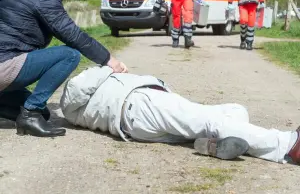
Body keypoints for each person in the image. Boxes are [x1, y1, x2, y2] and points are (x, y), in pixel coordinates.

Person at [0, 0, 127, 138]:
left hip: (6, 62)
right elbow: (72, 35)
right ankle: (30, 115)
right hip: (5, 65)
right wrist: (109, 59)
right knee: (69, 55)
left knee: (45, 113)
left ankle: (26, 110)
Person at [61, 66, 300, 165]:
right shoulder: (75, 88)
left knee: (236, 111)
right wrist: (108, 65)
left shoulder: (82, 109)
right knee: (211, 121)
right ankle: (287, 145)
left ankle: (210, 145)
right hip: (140, 106)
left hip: (141, 120)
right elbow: (80, 87)